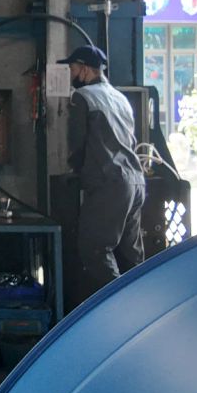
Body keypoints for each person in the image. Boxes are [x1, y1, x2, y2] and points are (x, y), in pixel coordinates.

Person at [60, 45, 146, 298]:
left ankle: (118, 305)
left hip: (109, 183)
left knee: (94, 249)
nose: (71, 74)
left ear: (84, 69)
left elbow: (78, 142)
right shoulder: (119, 97)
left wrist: (75, 170)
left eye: (72, 68)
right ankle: (142, 305)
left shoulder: (84, 97)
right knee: (131, 255)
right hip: (135, 181)